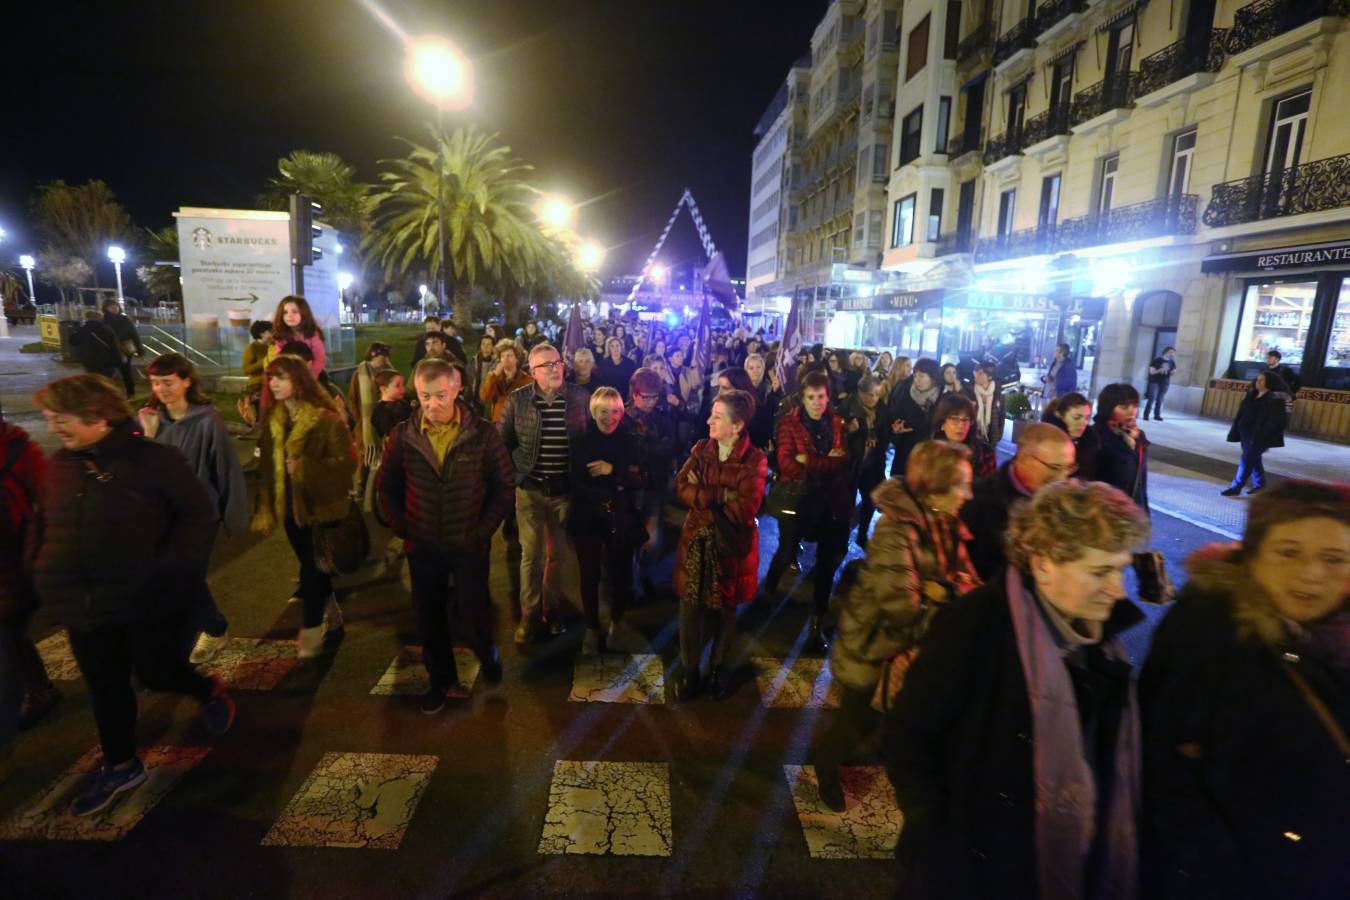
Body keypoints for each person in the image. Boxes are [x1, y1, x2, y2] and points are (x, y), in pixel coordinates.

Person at [885, 480, 1151, 899]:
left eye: (1121, 569)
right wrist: (935, 829)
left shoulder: (1103, 644)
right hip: (969, 871)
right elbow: (910, 733)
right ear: (1044, 563)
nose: (1118, 589)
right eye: (1100, 571)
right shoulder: (974, 626)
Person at [31, 375, 235, 816]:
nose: (53, 429)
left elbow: (198, 516)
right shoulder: (61, 466)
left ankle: (207, 691)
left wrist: (165, 570)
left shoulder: (154, 461)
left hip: (146, 600)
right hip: (83, 604)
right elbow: (43, 525)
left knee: (158, 671)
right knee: (106, 687)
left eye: (59, 419)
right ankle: (121, 764)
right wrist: (41, 569)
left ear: (97, 417)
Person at [1140, 480, 1349, 900]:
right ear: (1253, 555)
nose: (1312, 574)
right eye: (1289, 552)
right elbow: (1162, 767)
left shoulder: (1336, 636)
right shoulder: (1210, 630)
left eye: (1335, 559)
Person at [818, 441, 978, 811]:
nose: (968, 493)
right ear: (935, 486)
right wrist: (945, 597)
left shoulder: (943, 523)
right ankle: (826, 765)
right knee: (856, 720)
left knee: (892, 718)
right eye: (961, 485)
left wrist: (944, 590)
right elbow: (902, 609)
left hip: (909, 650)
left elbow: (964, 578)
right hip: (874, 648)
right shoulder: (897, 532)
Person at [377, 360, 511, 713]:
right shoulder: (404, 436)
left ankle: (487, 652)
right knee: (428, 616)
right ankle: (440, 680)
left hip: (468, 544)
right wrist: (401, 525)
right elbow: (386, 486)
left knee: (473, 609)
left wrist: (482, 531)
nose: (432, 404)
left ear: (456, 388)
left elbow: (503, 486)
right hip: (422, 545)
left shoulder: (482, 434)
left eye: (439, 395)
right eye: (424, 396)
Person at [137, 353, 249, 664]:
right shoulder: (146, 419)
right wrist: (147, 434)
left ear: (187, 381)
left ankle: (213, 629)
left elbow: (225, 469)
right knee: (171, 579)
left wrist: (234, 517)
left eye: (168, 382)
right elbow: (137, 469)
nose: (161, 389)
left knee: (186, 577)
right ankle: (199, 630)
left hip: (197, 516)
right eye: (155, 383)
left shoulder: (207, 422)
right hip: (159, 516)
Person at [251, 355, 357, 657]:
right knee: (315, 567)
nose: (273, 383)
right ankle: (334, 617)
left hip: (321, 508)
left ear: (299, 380)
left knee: (311, 568)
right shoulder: (274, 419)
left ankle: (311, 627)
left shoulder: (326, 419)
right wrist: (266, 507)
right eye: (271, 378)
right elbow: (269, 470)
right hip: (290, 510)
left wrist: (307, 467)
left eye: (280, 377)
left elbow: (348, 463)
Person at [674, 390, 768, 701]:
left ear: (737, 425)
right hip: (695, 542)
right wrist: (723, 495)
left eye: (717, 417)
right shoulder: (702, 448)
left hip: (728, 548)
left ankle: (717, 669)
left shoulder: (755, 459)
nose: (708, 420)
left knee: (724, 612)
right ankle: (690, 672)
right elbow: (681, 486)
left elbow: (746, 508)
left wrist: (705, 494)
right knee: (690, 609)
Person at [500, 343, 591, 642]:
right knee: (531, 555)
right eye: (545, 365)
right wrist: (514, 474)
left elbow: (589, 439)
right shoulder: (518, 400)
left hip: (564, 491)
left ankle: (551, 611)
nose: (553, 369)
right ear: (533, 372)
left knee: (557, 557)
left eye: (556, 363)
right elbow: (504, 441)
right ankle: (529, 613)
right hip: (530, 490)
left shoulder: (580, 398)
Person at [762, 370, 852, 651]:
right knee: (787, 549)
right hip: (799, 499)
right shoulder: (789, 424)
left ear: (828, 397)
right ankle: (768, 590)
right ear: (802, 398)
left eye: (821, 396)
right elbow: (787, 464)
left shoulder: (837, 424)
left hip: (830, 501)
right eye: (811, 397)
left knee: (826, 564)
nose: (816, 402)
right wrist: (825, 461)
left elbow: (841, 463)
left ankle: (817, 621)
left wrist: (808, 459)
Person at [0, 405, 60, 780]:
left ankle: (35, 692)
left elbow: (48, 506)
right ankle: (37, 687)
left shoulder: (20, 452)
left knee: (8, 642)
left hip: (12, 564)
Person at [568, 387, 646, 656]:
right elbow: (576, 481)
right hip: (588, 516)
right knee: (589, 574)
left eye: (615, 412)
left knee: (621, 573)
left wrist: (612, 470)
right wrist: (616, 483)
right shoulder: (580, 441)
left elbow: (640, 477)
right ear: (593, 411)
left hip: (621, 517)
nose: (609, 417)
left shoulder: (630, 440)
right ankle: (591, 627)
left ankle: (616, 622)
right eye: (603, 411)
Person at [960, 422, 1077, 582]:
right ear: (1024, 458)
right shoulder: (976, 500)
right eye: (1055, 467)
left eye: (1069, 468)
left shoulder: (1068, 503)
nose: (1063, 477)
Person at [628, 368, 678, 597]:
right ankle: (629, 580)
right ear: (634, 393)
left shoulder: (663, 416)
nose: (649, 402)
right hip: (630, 489)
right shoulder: (625, 418)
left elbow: (670, 446)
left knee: (652, 539)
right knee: (629, 538)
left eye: (653, 396)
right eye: (644, 397)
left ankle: (645, 574)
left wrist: (646, 447)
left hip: (655, 486)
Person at [1221, 371, 1291, 497]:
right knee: (1254, 460)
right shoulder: (1252, 394)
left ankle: (1236, 487)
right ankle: (1260, 485)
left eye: (1262, 380)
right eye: (1257, 380)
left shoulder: (1275, 398)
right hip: (1245, 434)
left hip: (1260, 436)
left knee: (1246, 460)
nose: (1258, 382)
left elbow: (1277, 420)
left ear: (1270, 382)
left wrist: (1262, 434)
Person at [845, 375, 891, 546]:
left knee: (870, 499)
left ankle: (862, 533)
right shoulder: (848, 407)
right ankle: (841, 532)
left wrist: (894, 433)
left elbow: (885, 437)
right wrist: (848, 431)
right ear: (860, 392)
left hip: (873, 463)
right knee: (847, 501)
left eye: (877, 394)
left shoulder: (882, 410)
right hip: (851, 463)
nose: (873, 399)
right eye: (870, 394)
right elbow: (835, 436)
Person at [1091, 382, 1150, 515]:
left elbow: (1141, 482)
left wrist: (1145, 515)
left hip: (1133, 514)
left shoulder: (1138, 435)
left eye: (1134, 405)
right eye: (1123, 406)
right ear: (1108, 408)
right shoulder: (1094, 435)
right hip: (1105, 514)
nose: (1131, 411)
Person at [349, 342, 394, 506]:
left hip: (386, 422)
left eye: (387, 355)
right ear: (374, 355)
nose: (386, 358)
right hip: (366, 425)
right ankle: (362, 487)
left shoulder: (390, 373)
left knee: (386, 456)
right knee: (366, 456)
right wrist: (361, 419)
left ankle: (383, 489)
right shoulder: (360, 374)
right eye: (383, 355)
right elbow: (353, 399)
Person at [888, 358, 942, 479]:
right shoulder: (904, 389)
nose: (917, 380)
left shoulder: (942, 396)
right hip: (906, 449)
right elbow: (893, 413)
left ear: (933, 378)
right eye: (915, 375)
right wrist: (896, 427)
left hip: (930, 452)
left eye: (921, 376)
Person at [931, 393, 997, 478]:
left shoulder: (985, 453)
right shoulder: (929, 453)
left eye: (966, 419)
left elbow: (991, 487)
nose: (961, 425)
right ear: (942, 423)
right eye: (954, 419)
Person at [1042, 391, 1101, 481]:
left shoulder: (1090, 444)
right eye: (1076, 417)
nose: (1083, 423)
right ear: (1059, 415)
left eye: (1087, 418)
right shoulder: (1045, 440)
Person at [270, 295, 326, 379]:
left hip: (313, 375)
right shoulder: (281, 335)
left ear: (304, 313)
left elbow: (320, 359)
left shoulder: (312, 334)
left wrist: (310, 378)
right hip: (289, 375)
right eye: (285, 312)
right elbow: (279, 358)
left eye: (295, 312)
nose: (289, 316)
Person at [480, 340, 532, 425]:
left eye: (509, 355)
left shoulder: (527, 380)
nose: (505, 359)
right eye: (502, 356)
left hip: (519, 424)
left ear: (517, 358)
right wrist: (494, 376)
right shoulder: (494, 377)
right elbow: (485, 397)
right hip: (498, 423)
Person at [69, 310, 123, 384]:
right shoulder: (106, 329)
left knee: (92, 383)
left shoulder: (81, 330)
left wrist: (74, 328)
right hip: (106, 363)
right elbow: (114, 347)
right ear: (100, 318)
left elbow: (72, 342)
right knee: (106, 383)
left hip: (88, 362)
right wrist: (119, 362)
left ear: (86, 318)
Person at [102, 301, 143, 396]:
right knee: (110, 372)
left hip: (124, 348)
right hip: (109, 349)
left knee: (126, 371)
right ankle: (110, 393)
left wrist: (139, 348)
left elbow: (134, 334)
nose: (114, 308)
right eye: (111, 307)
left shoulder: (125, 319)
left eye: (116, 306)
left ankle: (130, 392)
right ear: (105, 309)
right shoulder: (103, 321)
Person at [970, 363, 1005, 447]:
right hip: (973, 436)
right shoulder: (970, 392)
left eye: (981, 373)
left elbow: (1001, 416)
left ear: (989, 377)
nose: (976, 376)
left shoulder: (998, 395)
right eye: (976, 372)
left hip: (992, 436)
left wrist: (998, 435)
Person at [1143, 346, 1176, 421]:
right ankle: (1146, 415)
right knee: (1152, 398)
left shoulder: (1172, 362)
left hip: (1165, 382)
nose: (1172, 354)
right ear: (1166, 352)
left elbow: (1173, 371)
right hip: (1155, 382)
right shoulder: (1157, 360)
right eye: (1171, 352)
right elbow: (1151, 372)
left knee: (1160, 399)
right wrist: (1159, 370)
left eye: (1173, 353)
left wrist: (1172, 372)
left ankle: (1157, 415)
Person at [242, 320, 274, 396]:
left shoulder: (273, 346)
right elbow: (246, 370)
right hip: (257, 386)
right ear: (262, 334)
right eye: (271, 331)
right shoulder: (252, 348)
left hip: (271, 384)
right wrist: (264, 361)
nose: (274, 334)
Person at [468, 334, 497, 401]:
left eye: (488, 344)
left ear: (493, 347)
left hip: (489, 398)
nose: (485, 347)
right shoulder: (474, 361)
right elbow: (469, 379)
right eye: (483, 344)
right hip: (474, 397)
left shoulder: (497, 362)